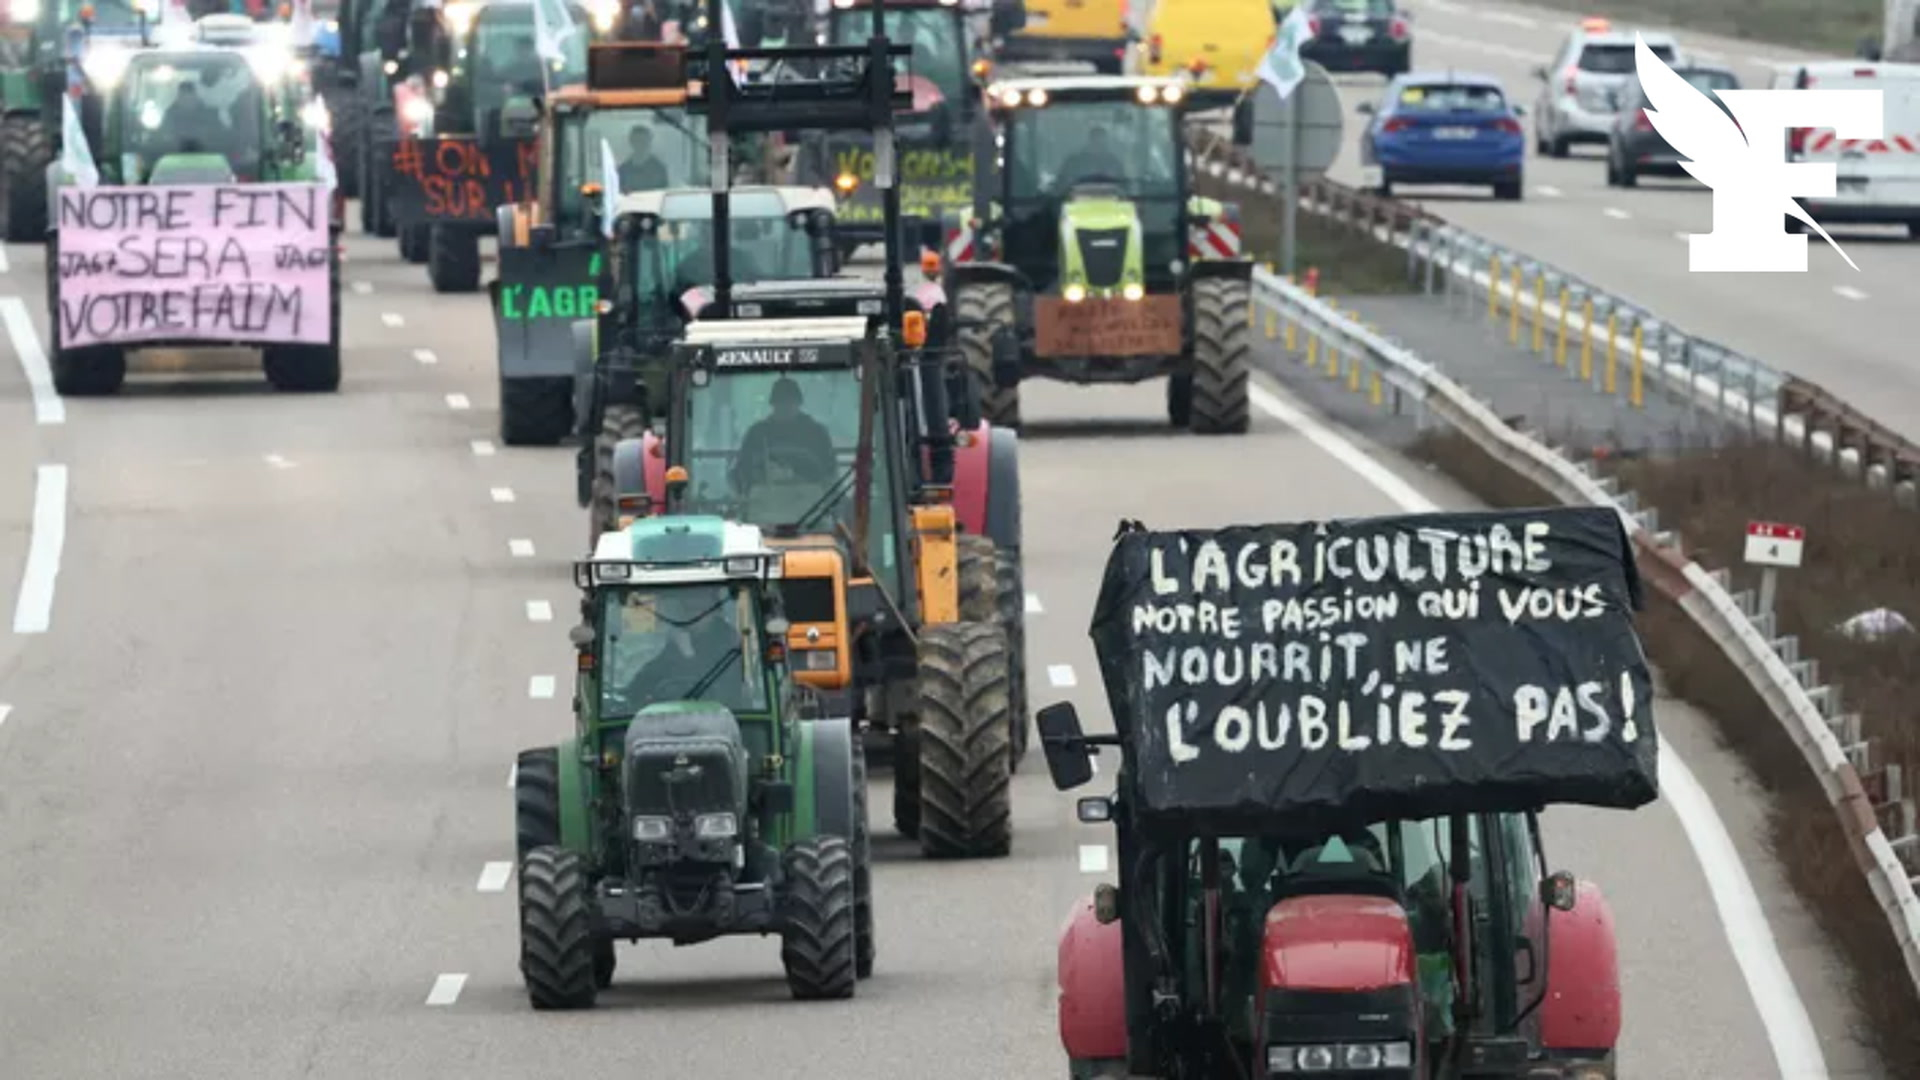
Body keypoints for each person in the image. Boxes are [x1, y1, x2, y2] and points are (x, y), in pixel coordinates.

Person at [732, 377, 836, 490]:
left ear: (798, 403)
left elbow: (830, 473)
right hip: (763, 502)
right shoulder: (757, 434)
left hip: (812, 502)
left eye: (789, 402)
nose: (785, 406)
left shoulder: (817, 434)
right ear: (773, 404)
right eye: (781, 402)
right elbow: (741, 472)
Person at [1055, 124, 1127, 189]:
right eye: (1096, 141)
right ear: (1090, 141)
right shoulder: (1073, 162)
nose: (1099, 145)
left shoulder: (1114, 163)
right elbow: (1061, 185)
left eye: (1101, 143)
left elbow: (1123, 187)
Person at [162, 82, 224, 150]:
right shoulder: (170, 116)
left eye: (190, 95)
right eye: (183, 96)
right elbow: (162, 138)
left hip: (207, 155)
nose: (187, 99)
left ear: (196, 96)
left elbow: (221, 138)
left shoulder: (211, 116)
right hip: (175, 156)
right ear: (178, 98)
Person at [619, 125, 669, 191]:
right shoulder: (623, 170)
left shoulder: (659, 169)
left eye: (643, 141)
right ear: (631, 142)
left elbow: (663, 194)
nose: (640, 144)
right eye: (637, 141)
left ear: (649, 142)